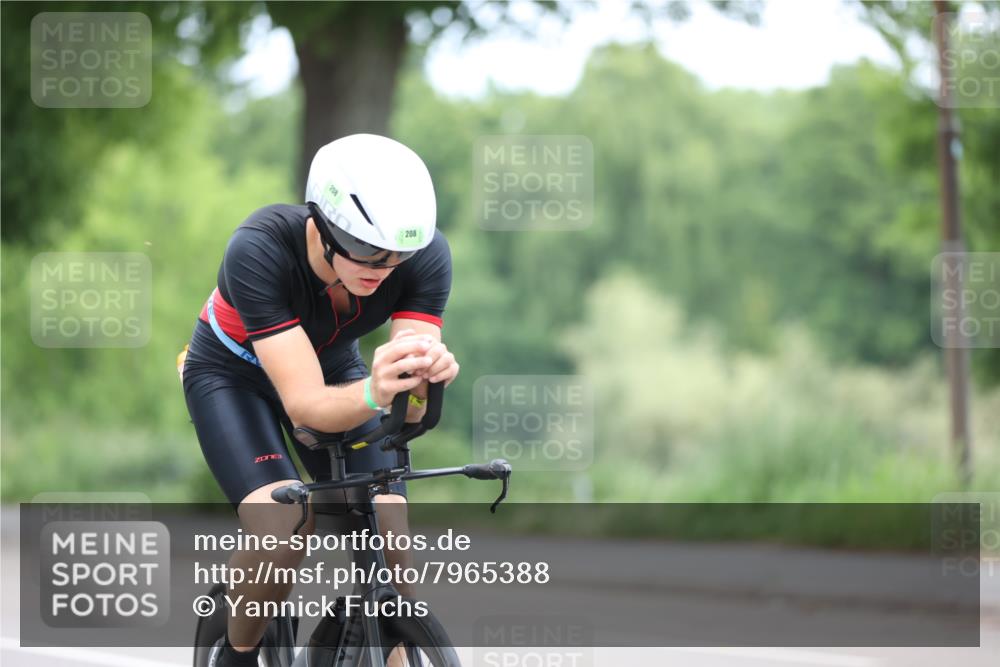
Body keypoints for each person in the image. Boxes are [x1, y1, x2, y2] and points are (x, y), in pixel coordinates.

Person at [179, 134, 459, 667]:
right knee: (286, 526)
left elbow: (409, 407)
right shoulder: (259, 248)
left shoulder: (421, 259)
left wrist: (424, 383)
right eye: (368, 248)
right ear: (326, 224)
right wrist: (378, 389)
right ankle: (234, 656)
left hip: (333, 367)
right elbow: (306, 405)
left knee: (391, 537)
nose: (385, 265)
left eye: (400, 252)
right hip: (232, 374)